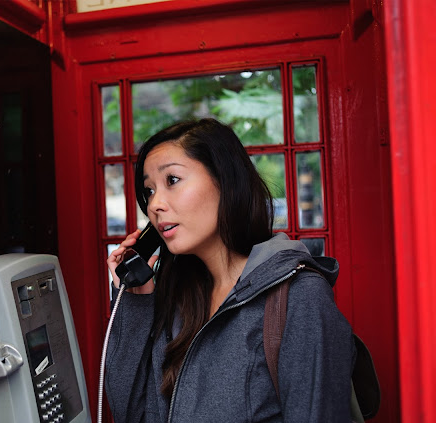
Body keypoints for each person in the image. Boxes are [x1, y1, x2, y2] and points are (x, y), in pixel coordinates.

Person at [105, 118, 355, 422]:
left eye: (172, 180)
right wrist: (133, 300)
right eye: (149, 191)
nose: (155, 204)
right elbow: (130, 416)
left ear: (225, 182)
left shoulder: (299, 298)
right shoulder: (180, 302)